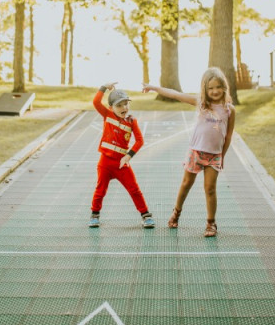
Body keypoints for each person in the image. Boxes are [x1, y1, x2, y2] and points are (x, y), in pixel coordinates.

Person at [142, 67, 235, 237]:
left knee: (210, 188)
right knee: (186, 184)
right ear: (205, 89)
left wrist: (222, 156)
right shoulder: (200, 102)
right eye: (210, 88)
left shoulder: (229, 110)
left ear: (224, 87)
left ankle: (211, 223)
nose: (214, 91)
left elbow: (228, 136)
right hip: (196, 152)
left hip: (214, 156)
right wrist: (155, 88)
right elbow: (175, 94)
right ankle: (176, 212)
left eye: (218, 87)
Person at [89, 82, 155, 229]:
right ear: (111, 107)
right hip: (105, 162)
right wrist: (103, 87)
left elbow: (140, 140)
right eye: (119, 105)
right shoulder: (107, 115)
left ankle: (145, 215)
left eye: (126, 104)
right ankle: (95, 214)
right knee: (100, 190)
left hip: (121, 163)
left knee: (134, 189)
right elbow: (95, 102)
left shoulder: (132, 121)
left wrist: (128, 156)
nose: (124, 108)